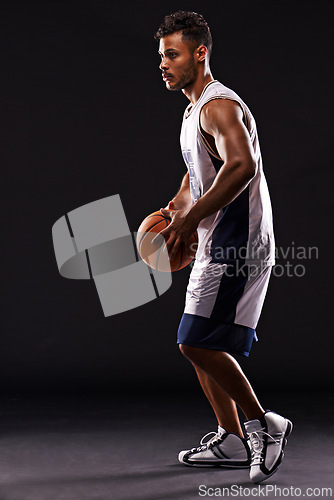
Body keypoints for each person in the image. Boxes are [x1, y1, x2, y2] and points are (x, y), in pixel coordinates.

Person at [154, 11, 292, 484]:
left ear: (200, 53)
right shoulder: (193, 111)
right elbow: (202, 170)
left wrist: (192, 218)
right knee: (199, 343)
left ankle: (263, 426)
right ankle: (231, 436)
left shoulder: (218, 106)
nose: (164, 64)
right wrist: (180, 203)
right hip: (216, 241)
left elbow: (242, 165)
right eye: (161, 56)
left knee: (194, 340)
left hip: (239, 244)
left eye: (171, 54)